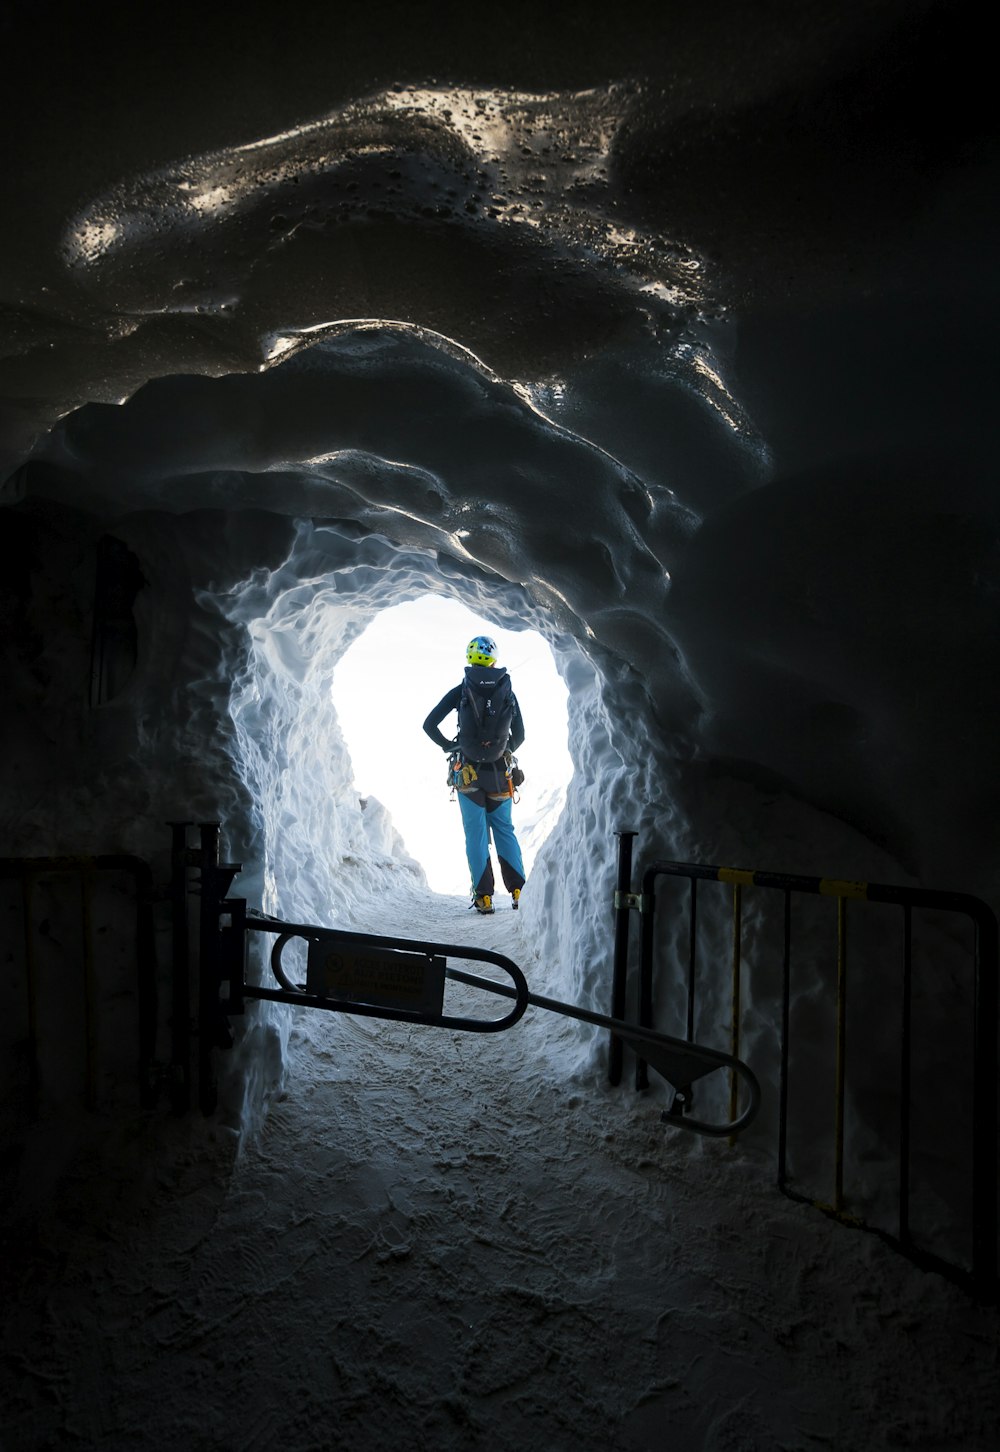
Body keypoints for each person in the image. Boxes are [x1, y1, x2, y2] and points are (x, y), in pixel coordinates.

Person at [423, 634, 526, 914]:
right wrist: (505, 750)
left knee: (476, 834)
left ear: (469, 658)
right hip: (498, 774)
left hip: (467, 773)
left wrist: (450, 745)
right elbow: (521, 735)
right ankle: (519, 891)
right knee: (504, 830)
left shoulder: (461, 690)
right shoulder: (507, 691)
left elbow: (429, 724)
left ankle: (484, 897)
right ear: (494, 659)